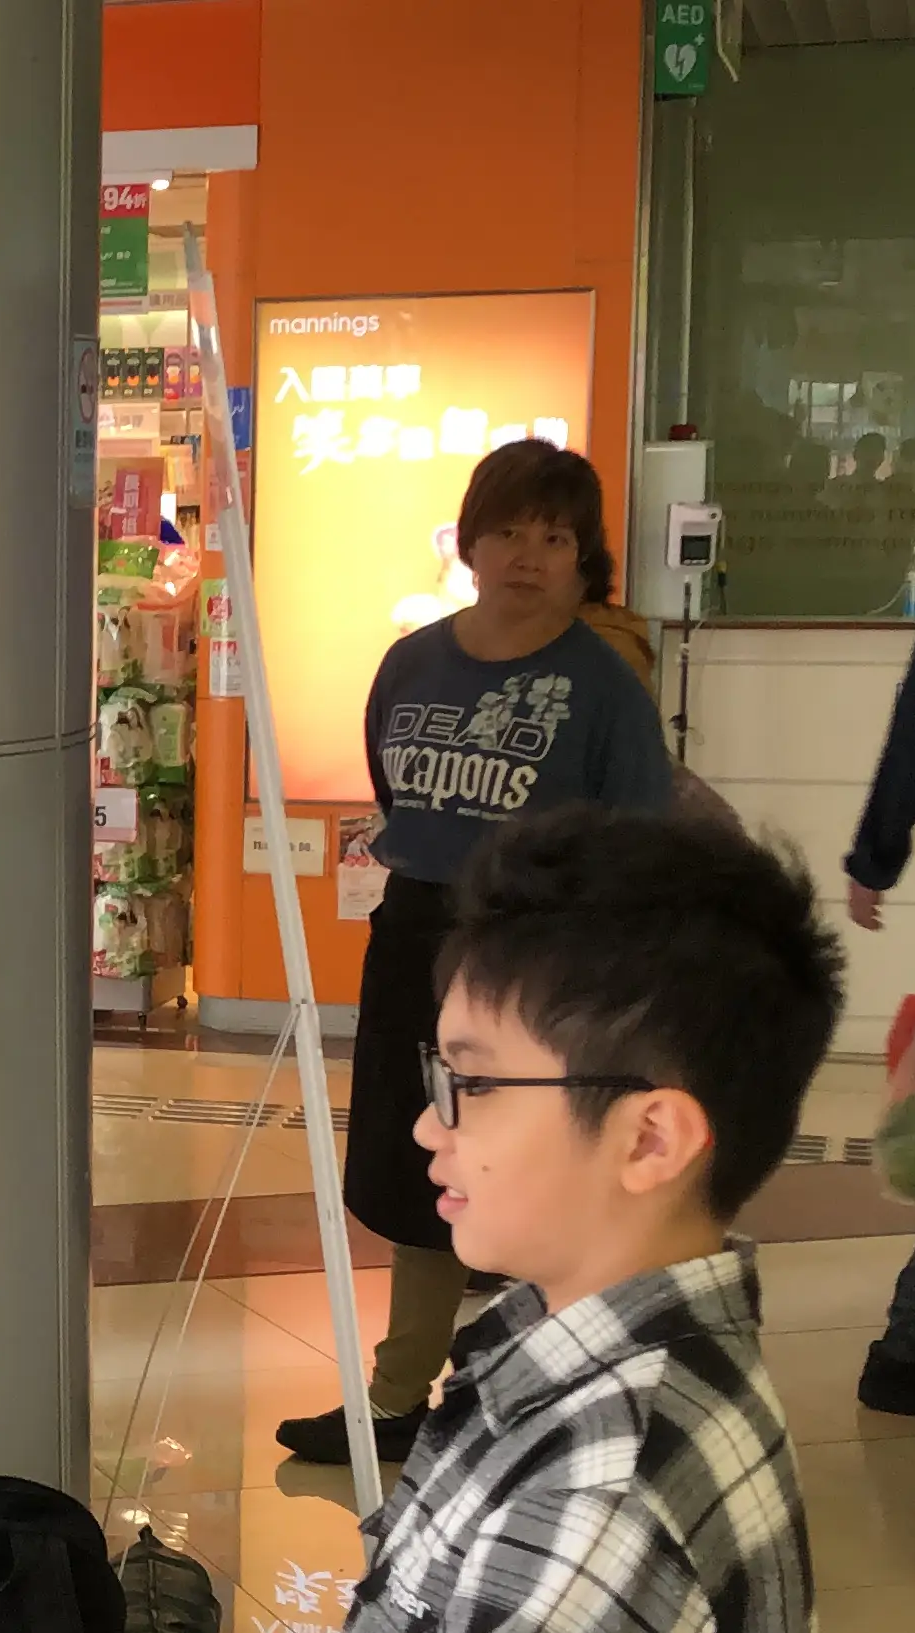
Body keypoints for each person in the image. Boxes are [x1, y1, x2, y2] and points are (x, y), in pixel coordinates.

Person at [0, 806, 839, 1633]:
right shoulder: (544, 1353)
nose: (428, 1124)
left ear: (648, 1139)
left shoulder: (621, 1461)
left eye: (472, 1086)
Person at [276, 441, 674, 1467]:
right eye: (508, 531)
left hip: (538, 949)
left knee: (534, 1171)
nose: (528, 556)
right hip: (416, 932)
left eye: (555, 537)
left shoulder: (601, 684)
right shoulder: (413, 661)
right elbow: (392, 789)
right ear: (469, 540)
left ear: (586, 557)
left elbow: (637, 834)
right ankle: (397, 1398)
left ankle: (544, 1391)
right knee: (424, 1166)